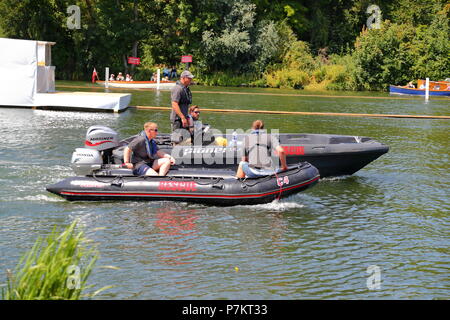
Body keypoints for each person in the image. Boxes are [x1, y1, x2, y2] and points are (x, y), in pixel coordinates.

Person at [170, 70, 194, 143]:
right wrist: (182, 117)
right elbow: (174, 103)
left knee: (186, 138)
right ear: (183, 78)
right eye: (189, 78)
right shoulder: (177, 88)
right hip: (178, 119)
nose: (191, 80)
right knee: (177, 140)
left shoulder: (185, 88)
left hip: (183, 118)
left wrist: (186, 117)